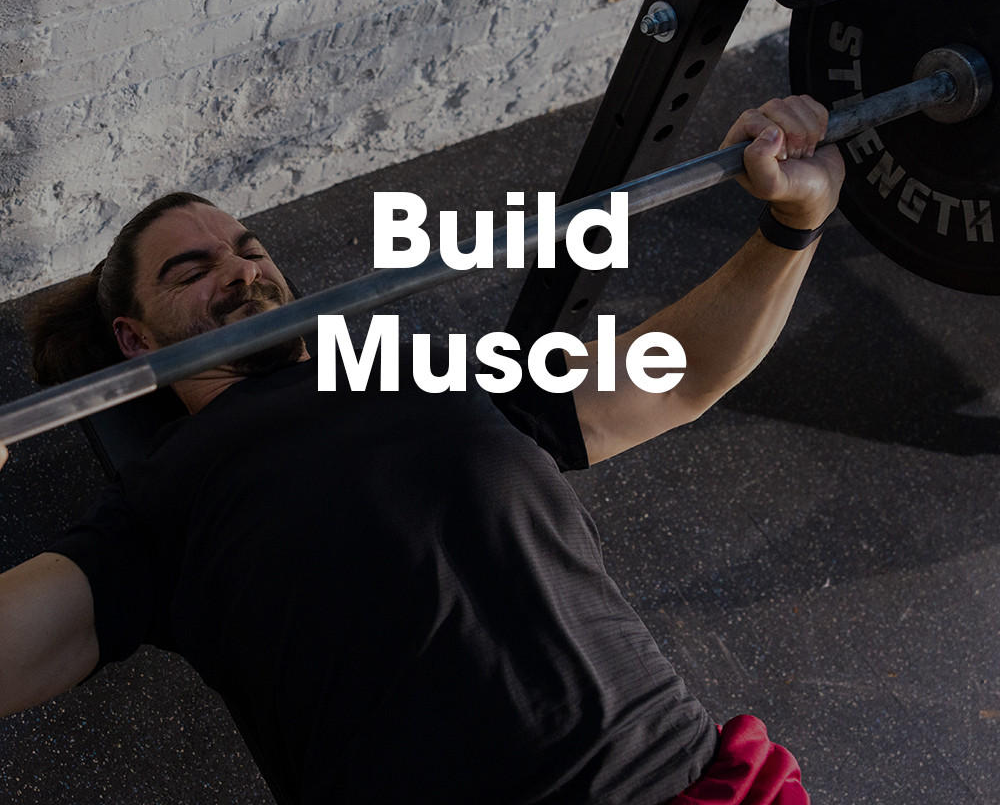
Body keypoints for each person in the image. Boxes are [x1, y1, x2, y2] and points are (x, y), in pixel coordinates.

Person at [0, 95, 843, 804]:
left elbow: (678, 376)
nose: (240, 270)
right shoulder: (158, 507)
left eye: (249, 250)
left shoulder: (437, 375)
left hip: (683, 781)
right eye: (191, 271)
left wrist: (796, 223)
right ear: (133, 337)